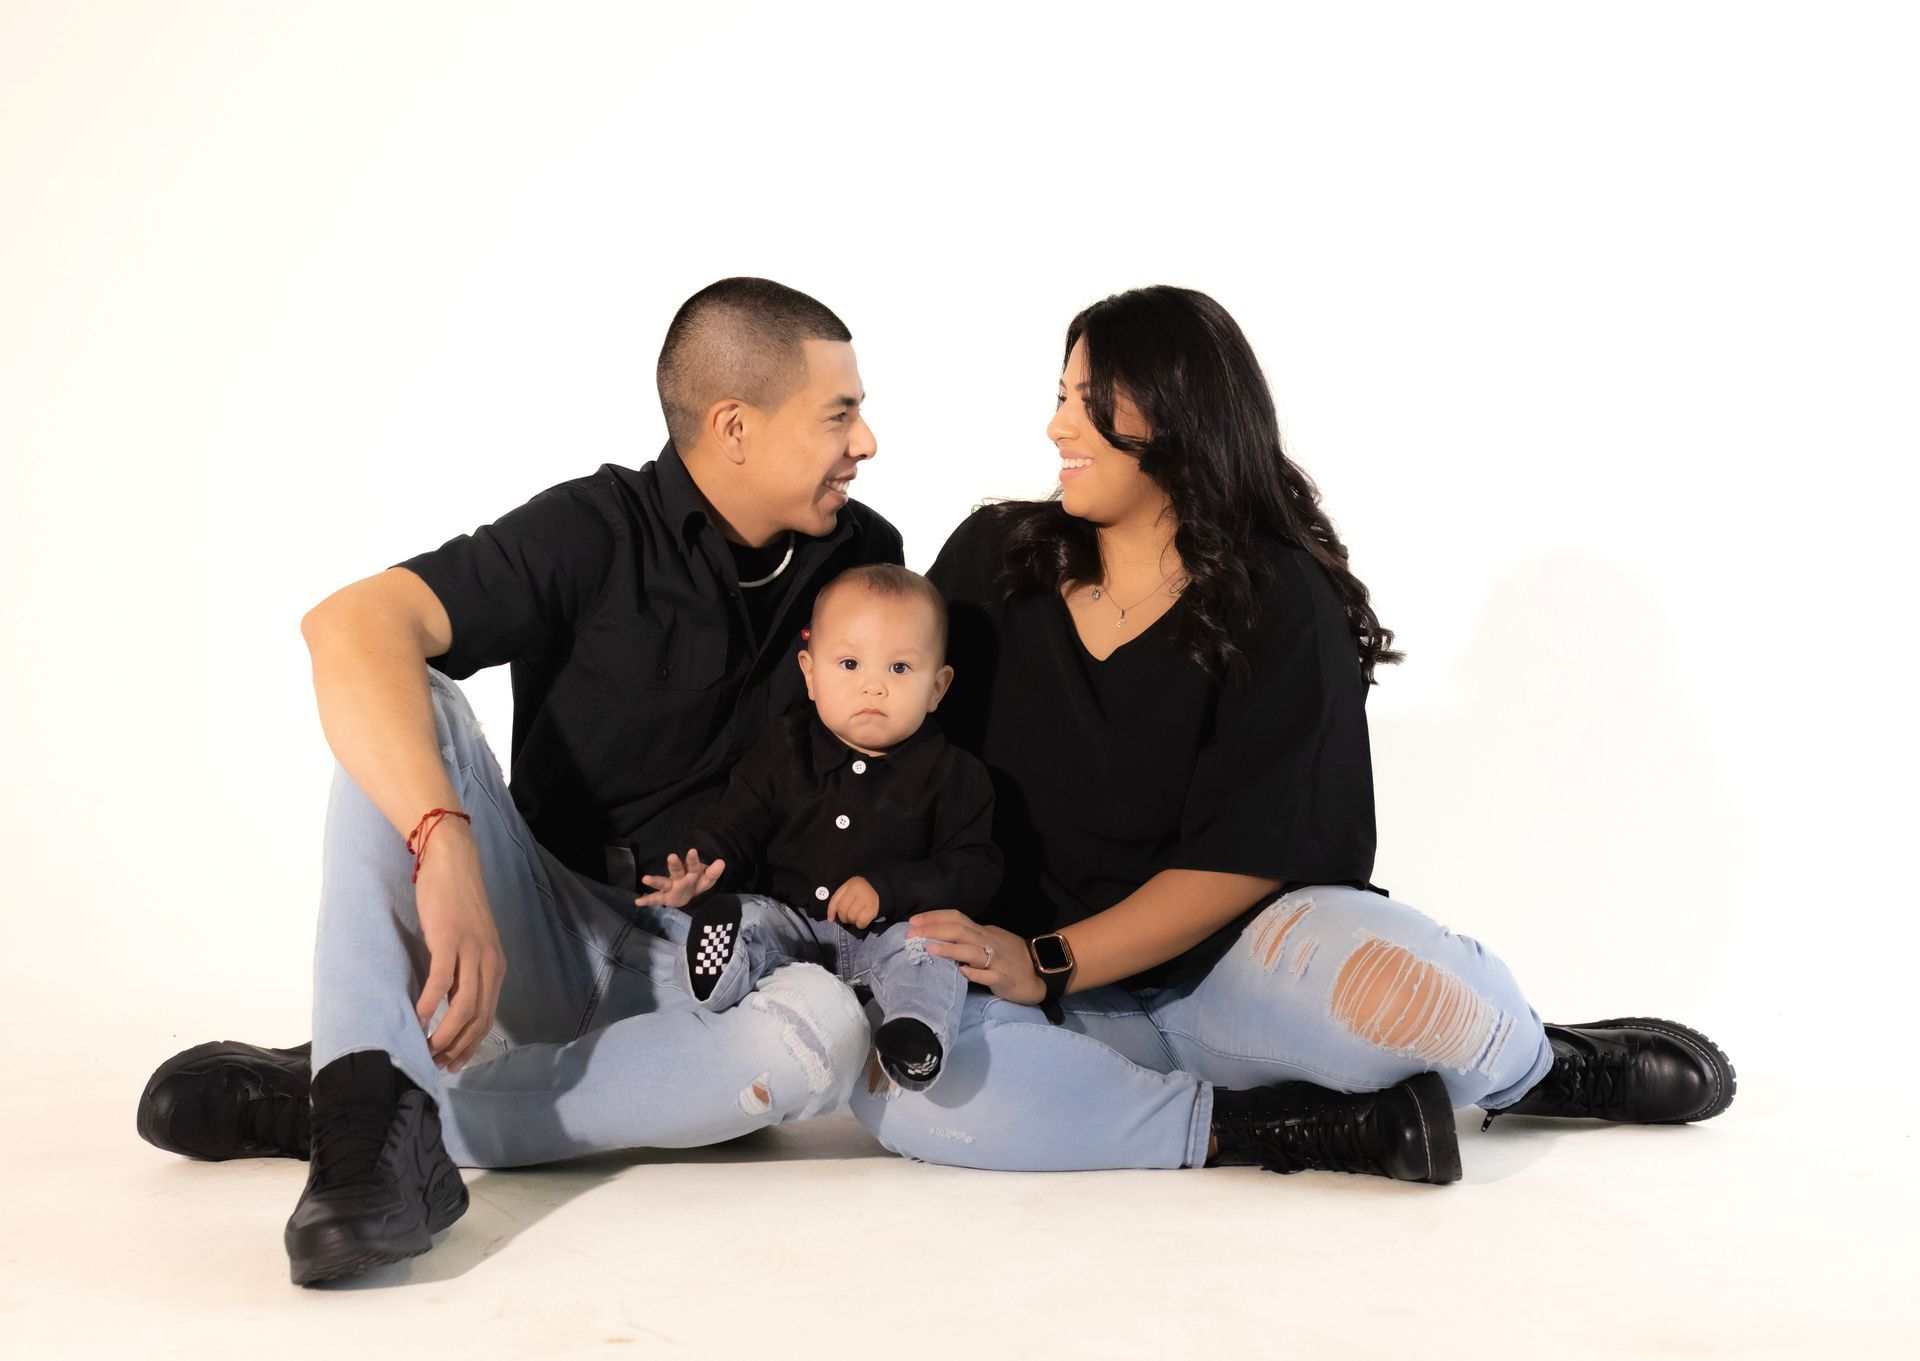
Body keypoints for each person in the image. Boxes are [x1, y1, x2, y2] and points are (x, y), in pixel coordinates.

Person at [853, 285, 1736, 1180]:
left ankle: (1537, 1067)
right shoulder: (995, 558)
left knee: (1411, 1002)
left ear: (1175, 411)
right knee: (901, 1083)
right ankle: (1265, 1124)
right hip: (1030, 993)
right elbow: (890, 718)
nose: (1057, 428)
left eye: (1087, 400)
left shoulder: (1274, 596)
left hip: (1223, 978)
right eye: (1059, 397)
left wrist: (1052, 956)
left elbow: (1250, 851)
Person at [135, 278, 899, 1285]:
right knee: (410, 700)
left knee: (822, 1044)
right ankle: (374, 1117)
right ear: (735, 426)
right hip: (540, 929)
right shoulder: (592, 528)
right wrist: (440, 841)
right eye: (839, 414)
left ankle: (355, 1099)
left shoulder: (866, 556)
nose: (868, 442)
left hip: (715, 962)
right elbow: (349, 624)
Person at [639, 563, 1001, 1092]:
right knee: (749, 917)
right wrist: (701, 864)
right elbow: (738, 818)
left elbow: (975, 867)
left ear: (938, 687)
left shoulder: (955, 774)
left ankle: (914, 1035)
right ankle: (717, 971)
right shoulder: (784, 749)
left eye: (900, 669)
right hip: (794, 923)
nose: (872, 686)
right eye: (850, 664)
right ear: (809, 674)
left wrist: (889, 888)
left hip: (889, 933)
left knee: (929, 952)